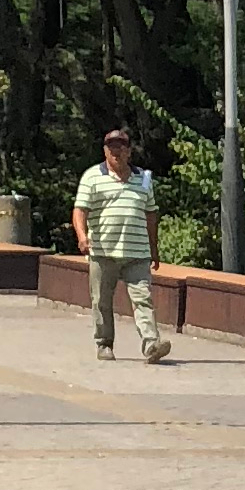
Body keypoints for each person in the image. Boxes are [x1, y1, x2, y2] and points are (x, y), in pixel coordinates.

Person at [74, 124, 168, 363]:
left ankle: (151, 345)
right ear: (105, 151)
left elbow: (151, 214)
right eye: (111, 147)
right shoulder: (92, 177)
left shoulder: (143, 179)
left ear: (128, 151)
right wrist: (82, 236)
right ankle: (104, 343)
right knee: (101, 300)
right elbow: (80, 210)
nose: (116, 152)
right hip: (103, 251)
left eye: (121, 147)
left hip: (137, 252)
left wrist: (154, 247)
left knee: (143, 298)